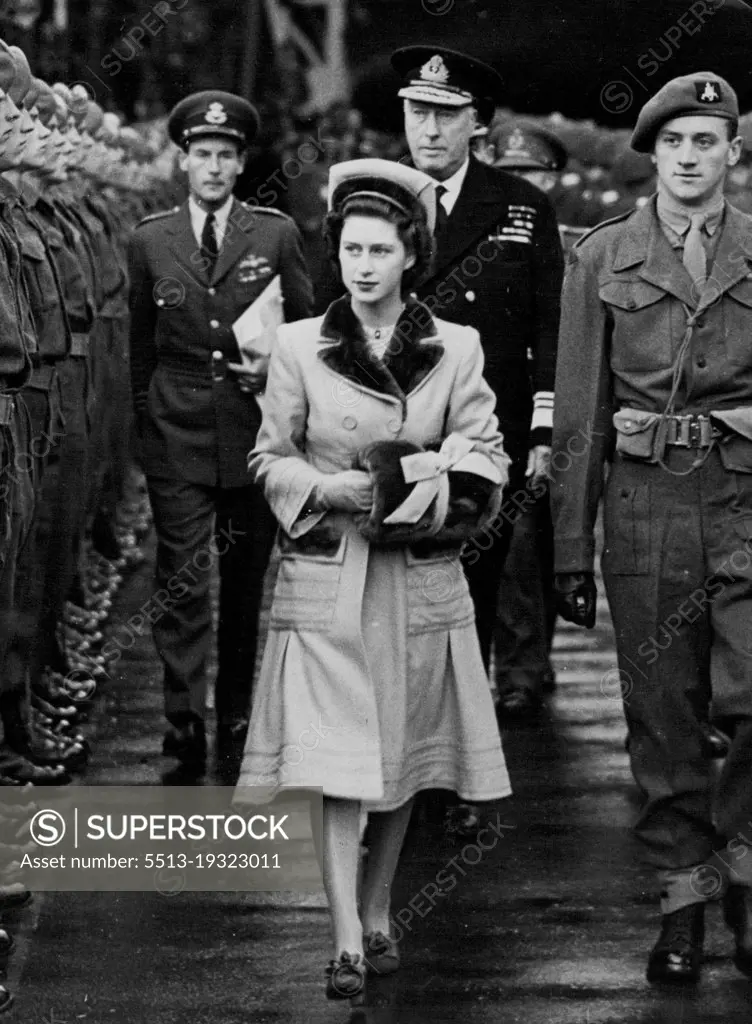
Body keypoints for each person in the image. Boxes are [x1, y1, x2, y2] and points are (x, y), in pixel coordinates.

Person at [235, 158, 511, 1002]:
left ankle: (381, 902)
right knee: (336, 759)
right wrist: (330, 489)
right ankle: (348, 937)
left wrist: (427, 487)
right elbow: (267, 457)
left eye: (380, 250)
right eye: (350, 248)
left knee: (399, 756)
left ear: (409, 255)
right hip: (328, 572)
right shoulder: (297, 344)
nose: (361, 265)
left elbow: (487, 452)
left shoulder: (455, 347)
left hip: (415, 575)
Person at [550, 72, 752, 986]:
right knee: (662, 716)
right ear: (654, 154)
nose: (689, 158)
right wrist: (567, 545)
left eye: (706, 141)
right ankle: (683, 905)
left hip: (747, 501)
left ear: (732, 153)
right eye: (674, 143)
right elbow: (580, 413)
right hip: (646, 514)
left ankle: (743, 873)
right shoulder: (602, 257)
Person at [389, 45, 563, 831]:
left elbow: (548, 323)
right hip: (394, 433)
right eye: (417, 112)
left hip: (482, 435)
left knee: (472, 602)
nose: (428, 128)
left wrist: (544, 428)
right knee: (393, 598)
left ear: (478, 124)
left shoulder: (522, 206)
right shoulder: (375, 197)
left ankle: (460, 771)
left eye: (445, 114)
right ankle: (400, 770)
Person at [128, 90, 313, 775]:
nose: (212, 168)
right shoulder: (150, 239)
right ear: (182, 161)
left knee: (244, 584)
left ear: (241, 165)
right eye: (201, 155)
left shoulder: (274, 234)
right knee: (181, 579)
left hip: (254, 431)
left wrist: (280, 390)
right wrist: (144, 427)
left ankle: (237, 716)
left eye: (225, 157)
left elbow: (306, 334)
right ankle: (183, 723)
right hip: (175, 431)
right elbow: (137, 347)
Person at [485, 120, 568, 717]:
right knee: (513, 543)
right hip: (504, 406)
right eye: (510, 173)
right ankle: (519, 669)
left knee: (547, 542)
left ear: (551, 179)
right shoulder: (485, 238)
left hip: (563, 407)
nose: (521, 186)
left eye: (531, 175)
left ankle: (534, 657)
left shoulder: (577, 238)